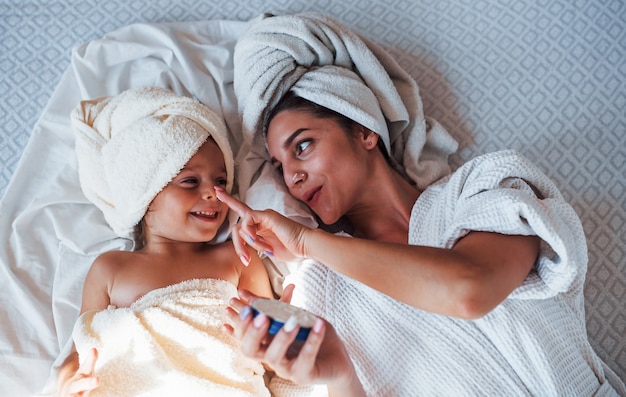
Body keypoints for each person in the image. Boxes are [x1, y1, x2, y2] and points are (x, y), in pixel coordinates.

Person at [220, 11, 624, 396]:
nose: (291, 176)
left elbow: (469, 288)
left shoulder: (483, 189)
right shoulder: (321, 289)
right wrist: (340, 375)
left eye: (303, 146)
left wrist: (307, 241)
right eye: (279, 165)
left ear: (364, 131)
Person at [55, 86, 274, 397]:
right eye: (189, 181)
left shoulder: (238, 257)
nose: (214, 193)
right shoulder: (111, 268)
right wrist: (67, 382)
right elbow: (80, 351)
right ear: (145, 194)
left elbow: (275, 348)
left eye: (222, 181)